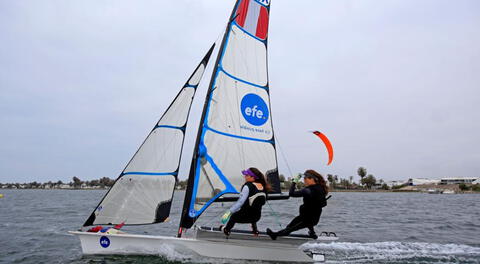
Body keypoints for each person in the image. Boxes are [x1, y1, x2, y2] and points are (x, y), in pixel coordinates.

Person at [266, 169, 328, 240]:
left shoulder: (308, 190)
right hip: (312, 218)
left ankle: (274, 235)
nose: (304, 180)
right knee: (289, 226)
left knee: (290, 229)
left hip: (307, 219)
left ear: (312, 179)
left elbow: (291, 193)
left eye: (305, 178)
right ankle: (312, 234)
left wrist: (294, 182)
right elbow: (320, 204)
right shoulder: (320, 188)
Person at [220, 167, 271, 236]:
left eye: (247, 175)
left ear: (253, 177)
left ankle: (226, 230)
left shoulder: (248, 186)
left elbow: (240, 202)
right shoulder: (263, 186)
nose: (245, 177)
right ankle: (255, 231)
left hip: (245, 216)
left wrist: (229, 212)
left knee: (233, 216)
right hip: (257, 217)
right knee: (254, 208)